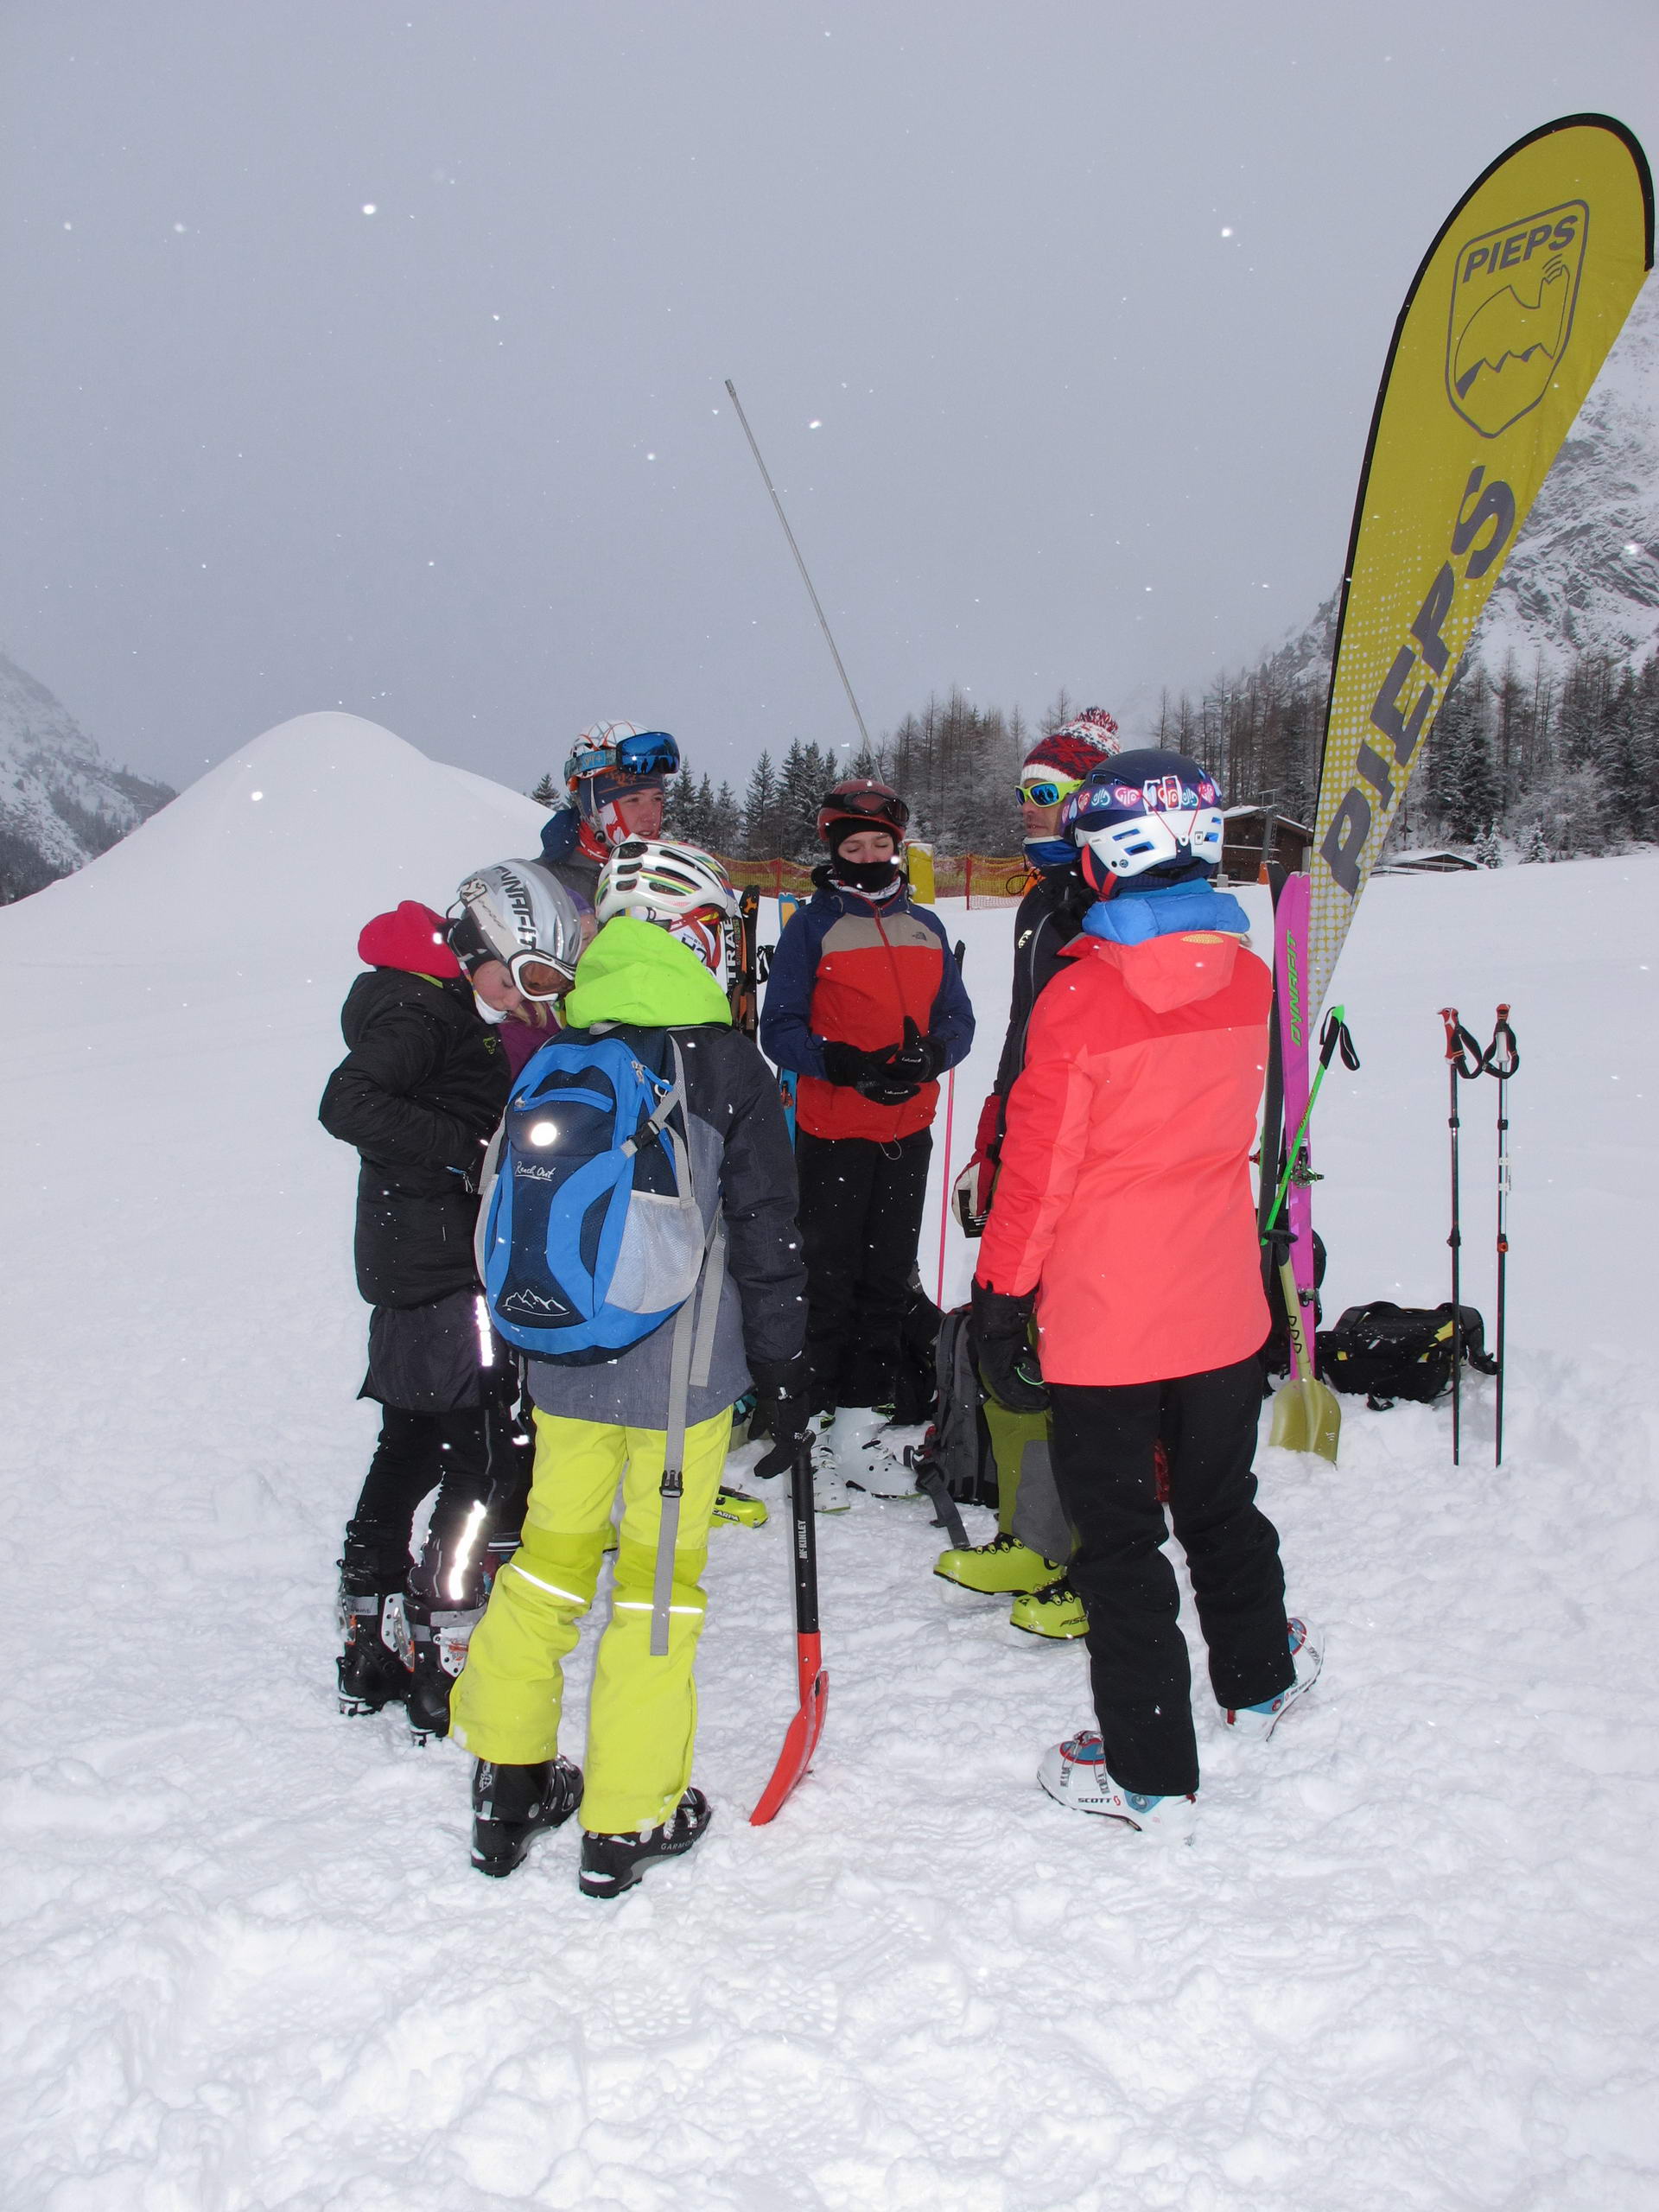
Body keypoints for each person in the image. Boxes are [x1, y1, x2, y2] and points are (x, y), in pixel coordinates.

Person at [448, 839, 810, 1897]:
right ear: (700, 935)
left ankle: (509, 1780)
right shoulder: (724, 1060)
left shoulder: (568, 1040)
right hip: (678, 1386)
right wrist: (785, 1372)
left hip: (563, 1361)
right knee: (657, 1587)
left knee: (555, 1560)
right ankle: (629, 1814)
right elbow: (768, 1232)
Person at [970, 751, 1321, 1840]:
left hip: (1107, 1316)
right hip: (1216, 1298)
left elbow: (1039, 1172)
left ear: (1106, 856)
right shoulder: (1254, 976)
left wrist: (998, 1294)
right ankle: (1259, 1677)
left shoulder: (1083, 997)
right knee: (1218, 1498)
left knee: (1118, 1540)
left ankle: (1150, 1768)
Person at [937, 710, 1122, 1639]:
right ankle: (1031, 1533)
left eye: (1048, 795)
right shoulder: (1039, 905)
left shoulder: (1106, 903)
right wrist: (989, 1144)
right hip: (1026, 1145)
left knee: (1079, 1357)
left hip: (1090, 1168)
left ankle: (1096, 1554)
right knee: (1005, 1341)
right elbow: (1019, 1046)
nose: (1030, 811)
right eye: (1025, 794)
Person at [321, 897, 517, 1736]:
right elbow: (347, 1102)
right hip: (444, 1271)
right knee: (476, 1448)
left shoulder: (408, 1004)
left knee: (408, 1439)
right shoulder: (420, 1010)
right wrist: (468, 1152)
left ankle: (367, 1632)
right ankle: (444, 1635)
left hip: (410, 1264)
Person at [759, 778, 975, 1505]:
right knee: (827, 1281)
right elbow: (779, 1026)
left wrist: (932, 1056)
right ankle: (805, 1431)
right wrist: (840, 1062)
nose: (868, 857)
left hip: (907, 1130)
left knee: (887, 1281)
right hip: (832, 1134)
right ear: (834, 852)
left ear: (899, 848)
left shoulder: (927, 928)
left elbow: (960, 1020)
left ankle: (855, 1428)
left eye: (880, 845)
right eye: (853, 847)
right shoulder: (812, 927)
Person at [537, 721, 680, 908]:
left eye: (657, 799)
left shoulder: (674, 882)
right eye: (633, 801)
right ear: (592, 808)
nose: (650, 816)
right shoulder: (542, 886)